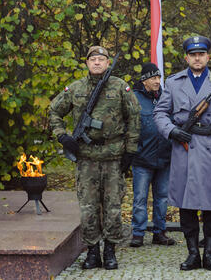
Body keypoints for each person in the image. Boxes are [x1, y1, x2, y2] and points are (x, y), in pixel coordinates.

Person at [49, 45, 140, 270]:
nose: (97, 63)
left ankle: (110, 250)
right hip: (86, 158)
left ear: (108, 63)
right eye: (93, 59)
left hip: (113, 157)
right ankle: (92, 252)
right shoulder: (76, 88)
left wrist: (130, 151)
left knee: (113, 208)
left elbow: (135, 118)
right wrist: (63, 137)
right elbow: (54, 111)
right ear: (87, 63)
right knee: (88, 208)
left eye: (101, 59)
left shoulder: (120, 87)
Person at [153, 36, 211, 272]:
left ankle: (209, 254)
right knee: (186, 204)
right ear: (186, 57)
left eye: (201, 54)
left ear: (208, 56)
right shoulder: (173, 83)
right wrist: (172, 132)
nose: (197, 58)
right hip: (184, 149)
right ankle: (192, 254)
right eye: (193, 54)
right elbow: (160, 113)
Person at [130, 62, 176, 248]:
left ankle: (160, 232)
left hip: (165, 157)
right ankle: (138, 233)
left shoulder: (166, 97)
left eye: (158, 77)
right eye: (153, 78)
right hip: (142, 158)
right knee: (140, 198)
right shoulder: (134, 98)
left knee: (162, 197)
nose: (157, 81)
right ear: (144, 80)